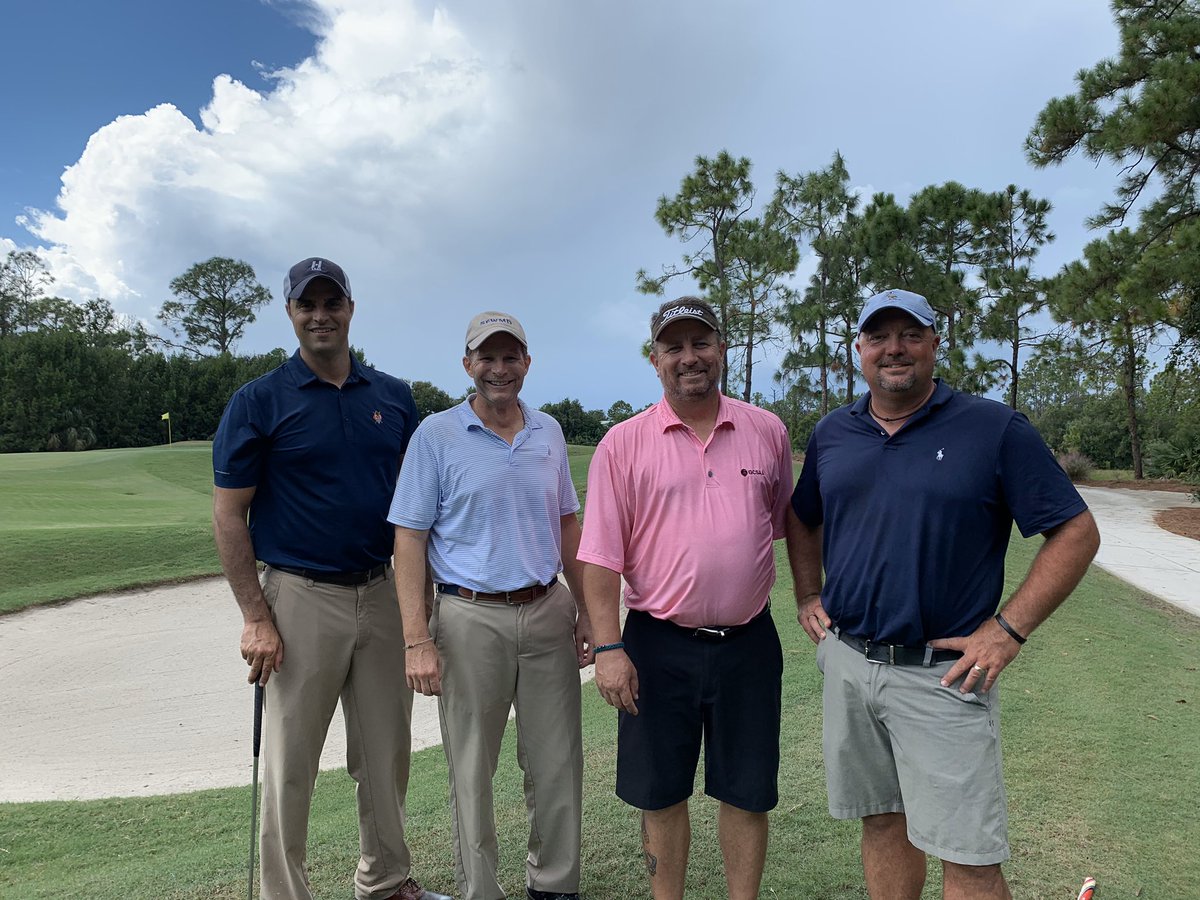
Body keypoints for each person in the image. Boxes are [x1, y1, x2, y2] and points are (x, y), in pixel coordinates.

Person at [788, 288, 1101, 900]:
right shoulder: (834, 432)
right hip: (851, 664)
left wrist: (1007, 631)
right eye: (879, 336)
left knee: (969, 858)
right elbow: (803, 515)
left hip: (943, 678)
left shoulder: (993, 428)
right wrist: (806, 593)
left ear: (936, 343)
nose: (894, 349)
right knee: (882, 823)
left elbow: (1076, 530)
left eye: (910, 334)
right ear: (859, 349)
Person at [212, 257, 449, 900]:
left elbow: (415, 511)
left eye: (331, 302)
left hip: (379, 591)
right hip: (298, 599)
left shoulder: (393, 397)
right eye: (306, 304)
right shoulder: (259, 400)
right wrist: (257, 617)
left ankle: (385, 882)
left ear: (350, 309)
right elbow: (230, 515)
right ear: (289, 312)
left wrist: (418, 607)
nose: (320, 314)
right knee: (290, 767)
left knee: (384, 757)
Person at [577, 297, 794, 900]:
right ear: (656, 360)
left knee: (746, 791)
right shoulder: (622, 444)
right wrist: (609, 647)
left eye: (701, 343)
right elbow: (599, 557)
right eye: (674, 347)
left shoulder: (765, 431)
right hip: (655, 643)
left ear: (721, 350)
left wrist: (812, 596)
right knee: (660, 791)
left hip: (748, 642)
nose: (689, 357)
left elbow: (787, 526)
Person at [389, 311, 591, 900]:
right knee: (472, 770)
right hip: (467, 615)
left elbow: (567, 523)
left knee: (557, 763)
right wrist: (416, 638)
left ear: (527, 363)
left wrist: (584, 610)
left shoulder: (548, 432)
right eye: (487, 357)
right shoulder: (436, 434)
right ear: (467, 365)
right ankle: (480, 890)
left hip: (547, 607)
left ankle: (555, 885)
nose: (499, 369)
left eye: (510, 357)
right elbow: (409, 538)